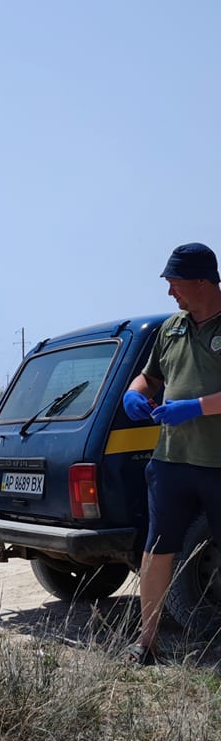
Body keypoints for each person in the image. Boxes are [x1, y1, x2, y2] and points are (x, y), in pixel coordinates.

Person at [122, 242, 221, 663]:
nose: (170, 293)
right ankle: (146, 643)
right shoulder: (171, 328)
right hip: (171, 461)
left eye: (175, 283)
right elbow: (148, 377)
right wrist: (134, 394)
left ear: (202, 281)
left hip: (217, 463)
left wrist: (195, 407)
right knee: (156, 549)